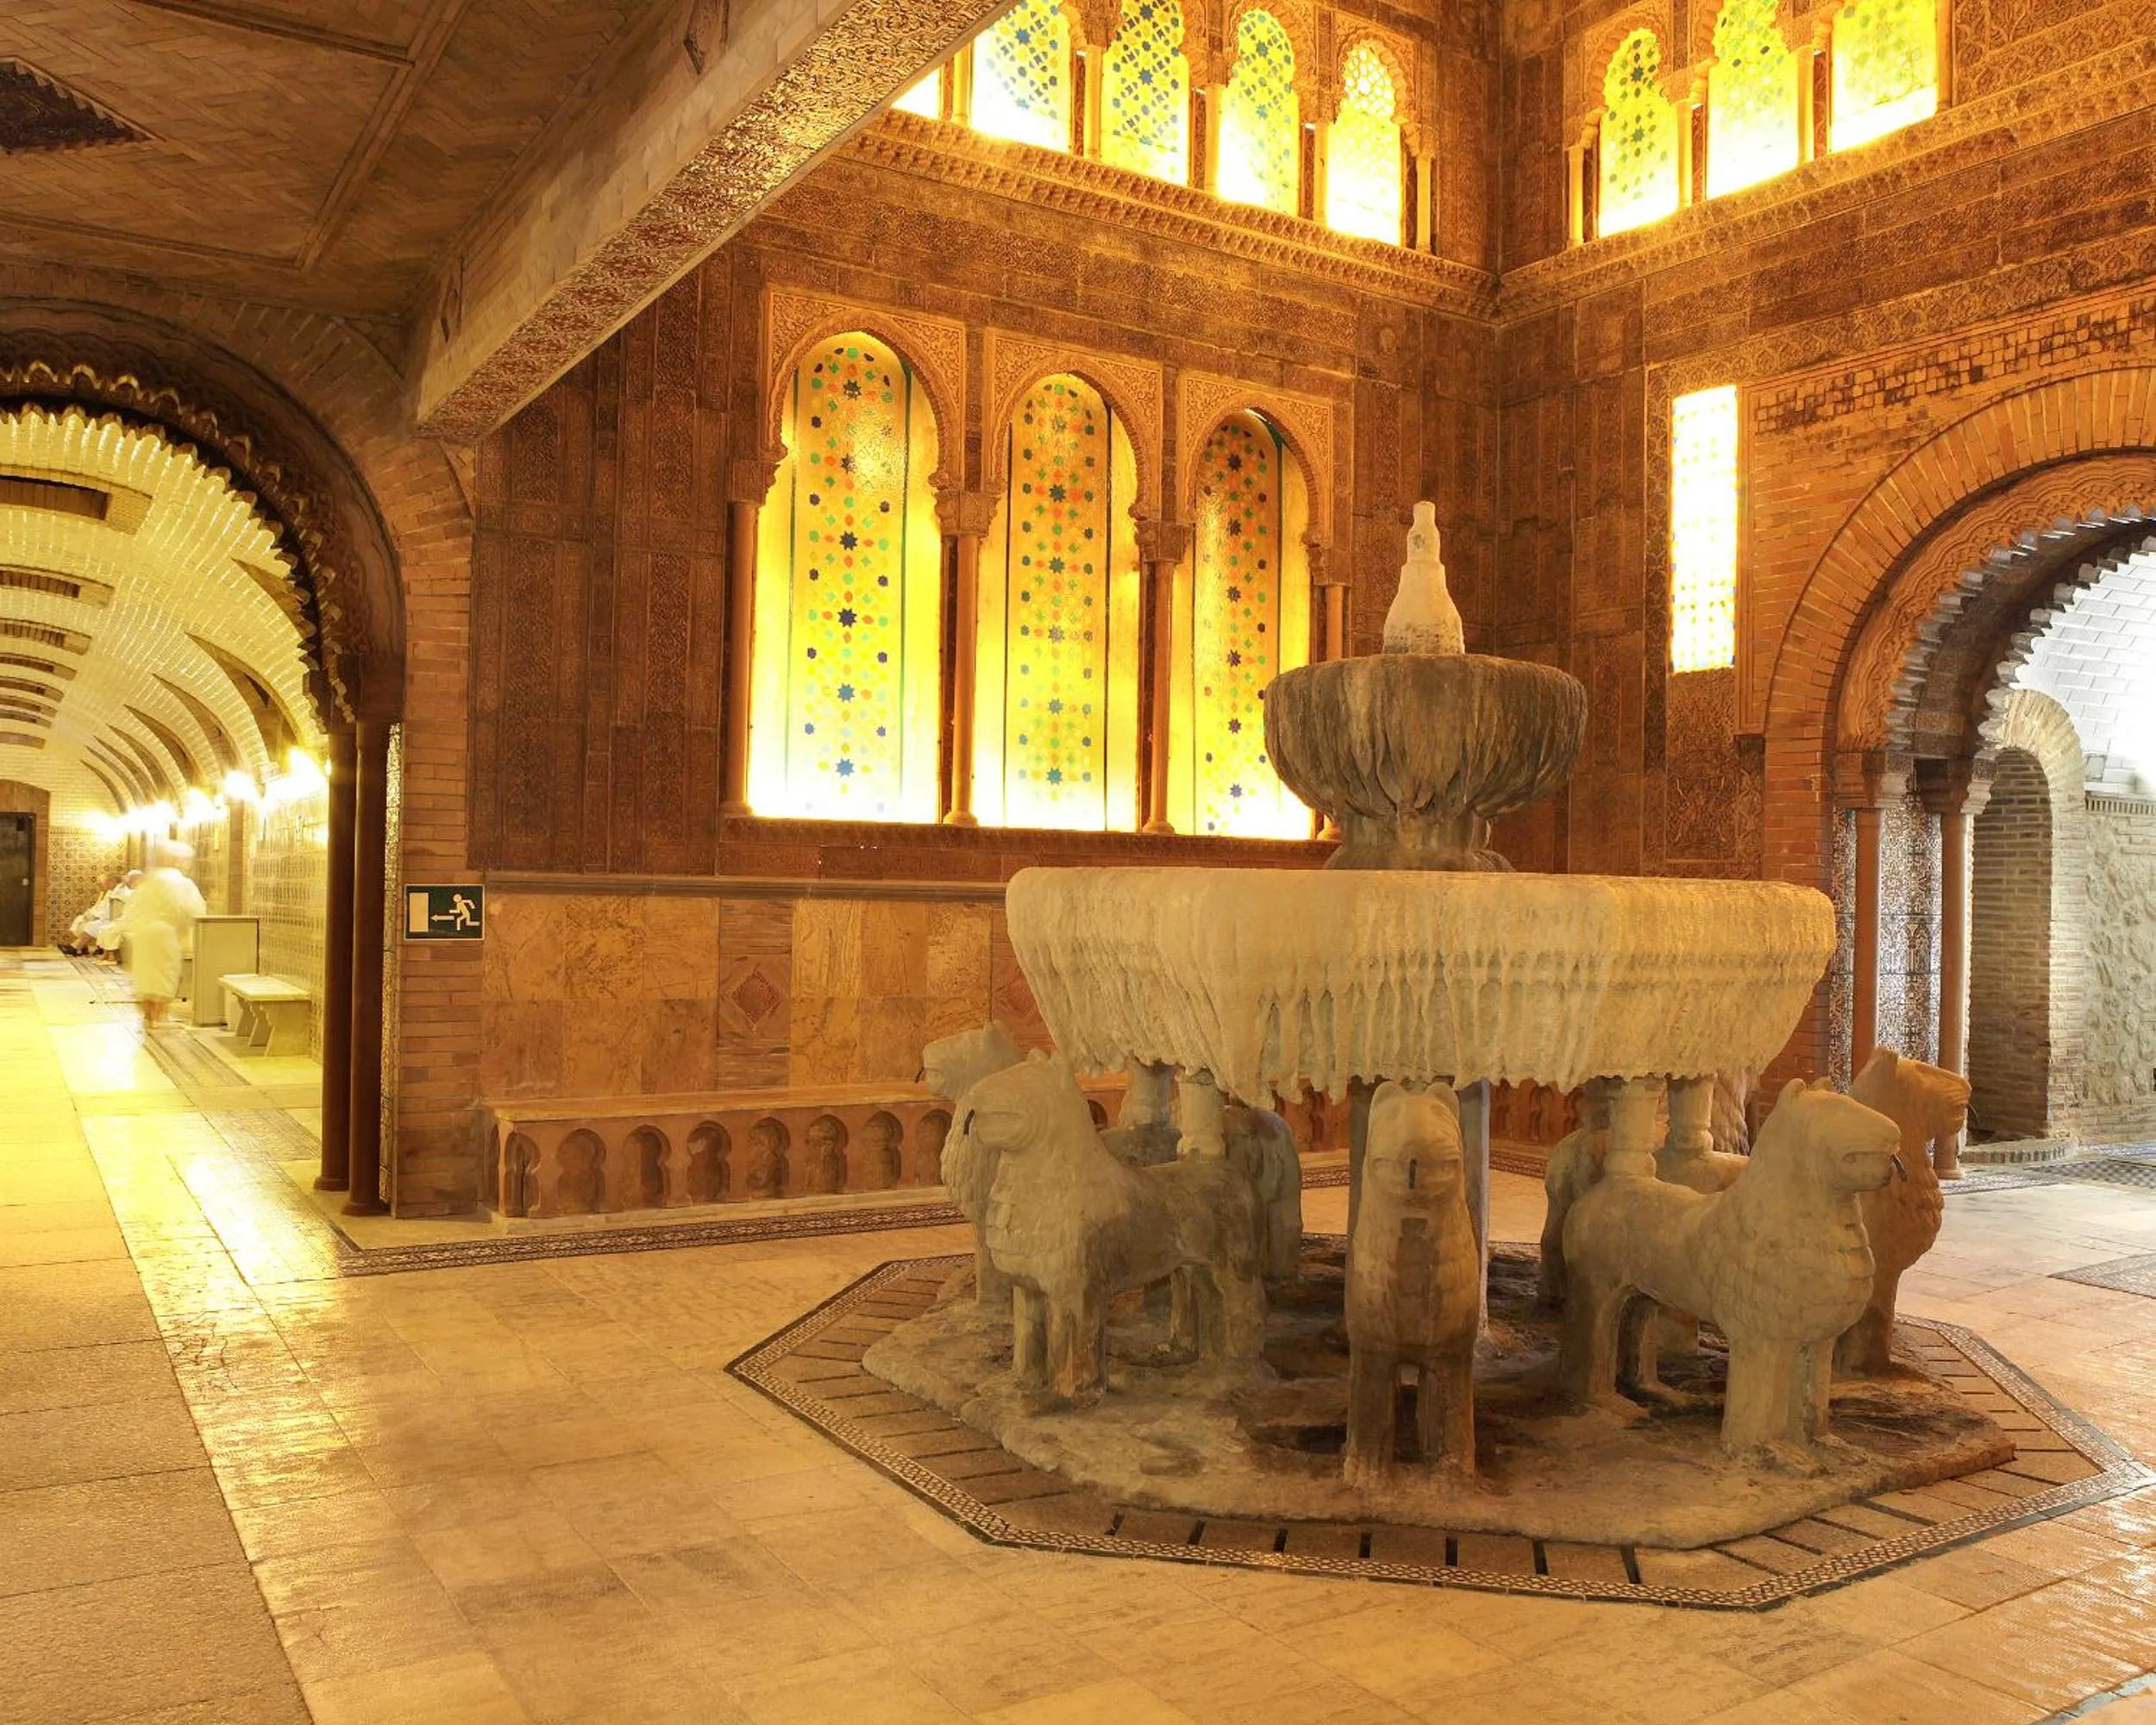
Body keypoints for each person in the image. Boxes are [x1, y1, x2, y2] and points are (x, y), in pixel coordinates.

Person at [101, 846, 205, 1026]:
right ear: (177, 861)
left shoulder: (148, 882)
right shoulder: (182, 883)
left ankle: (148, 1017)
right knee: (165, 975)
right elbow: (195, 910)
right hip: (167, 934)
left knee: (146, 975)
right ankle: (158, 1018)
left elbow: (133, 908)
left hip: (143, 934)